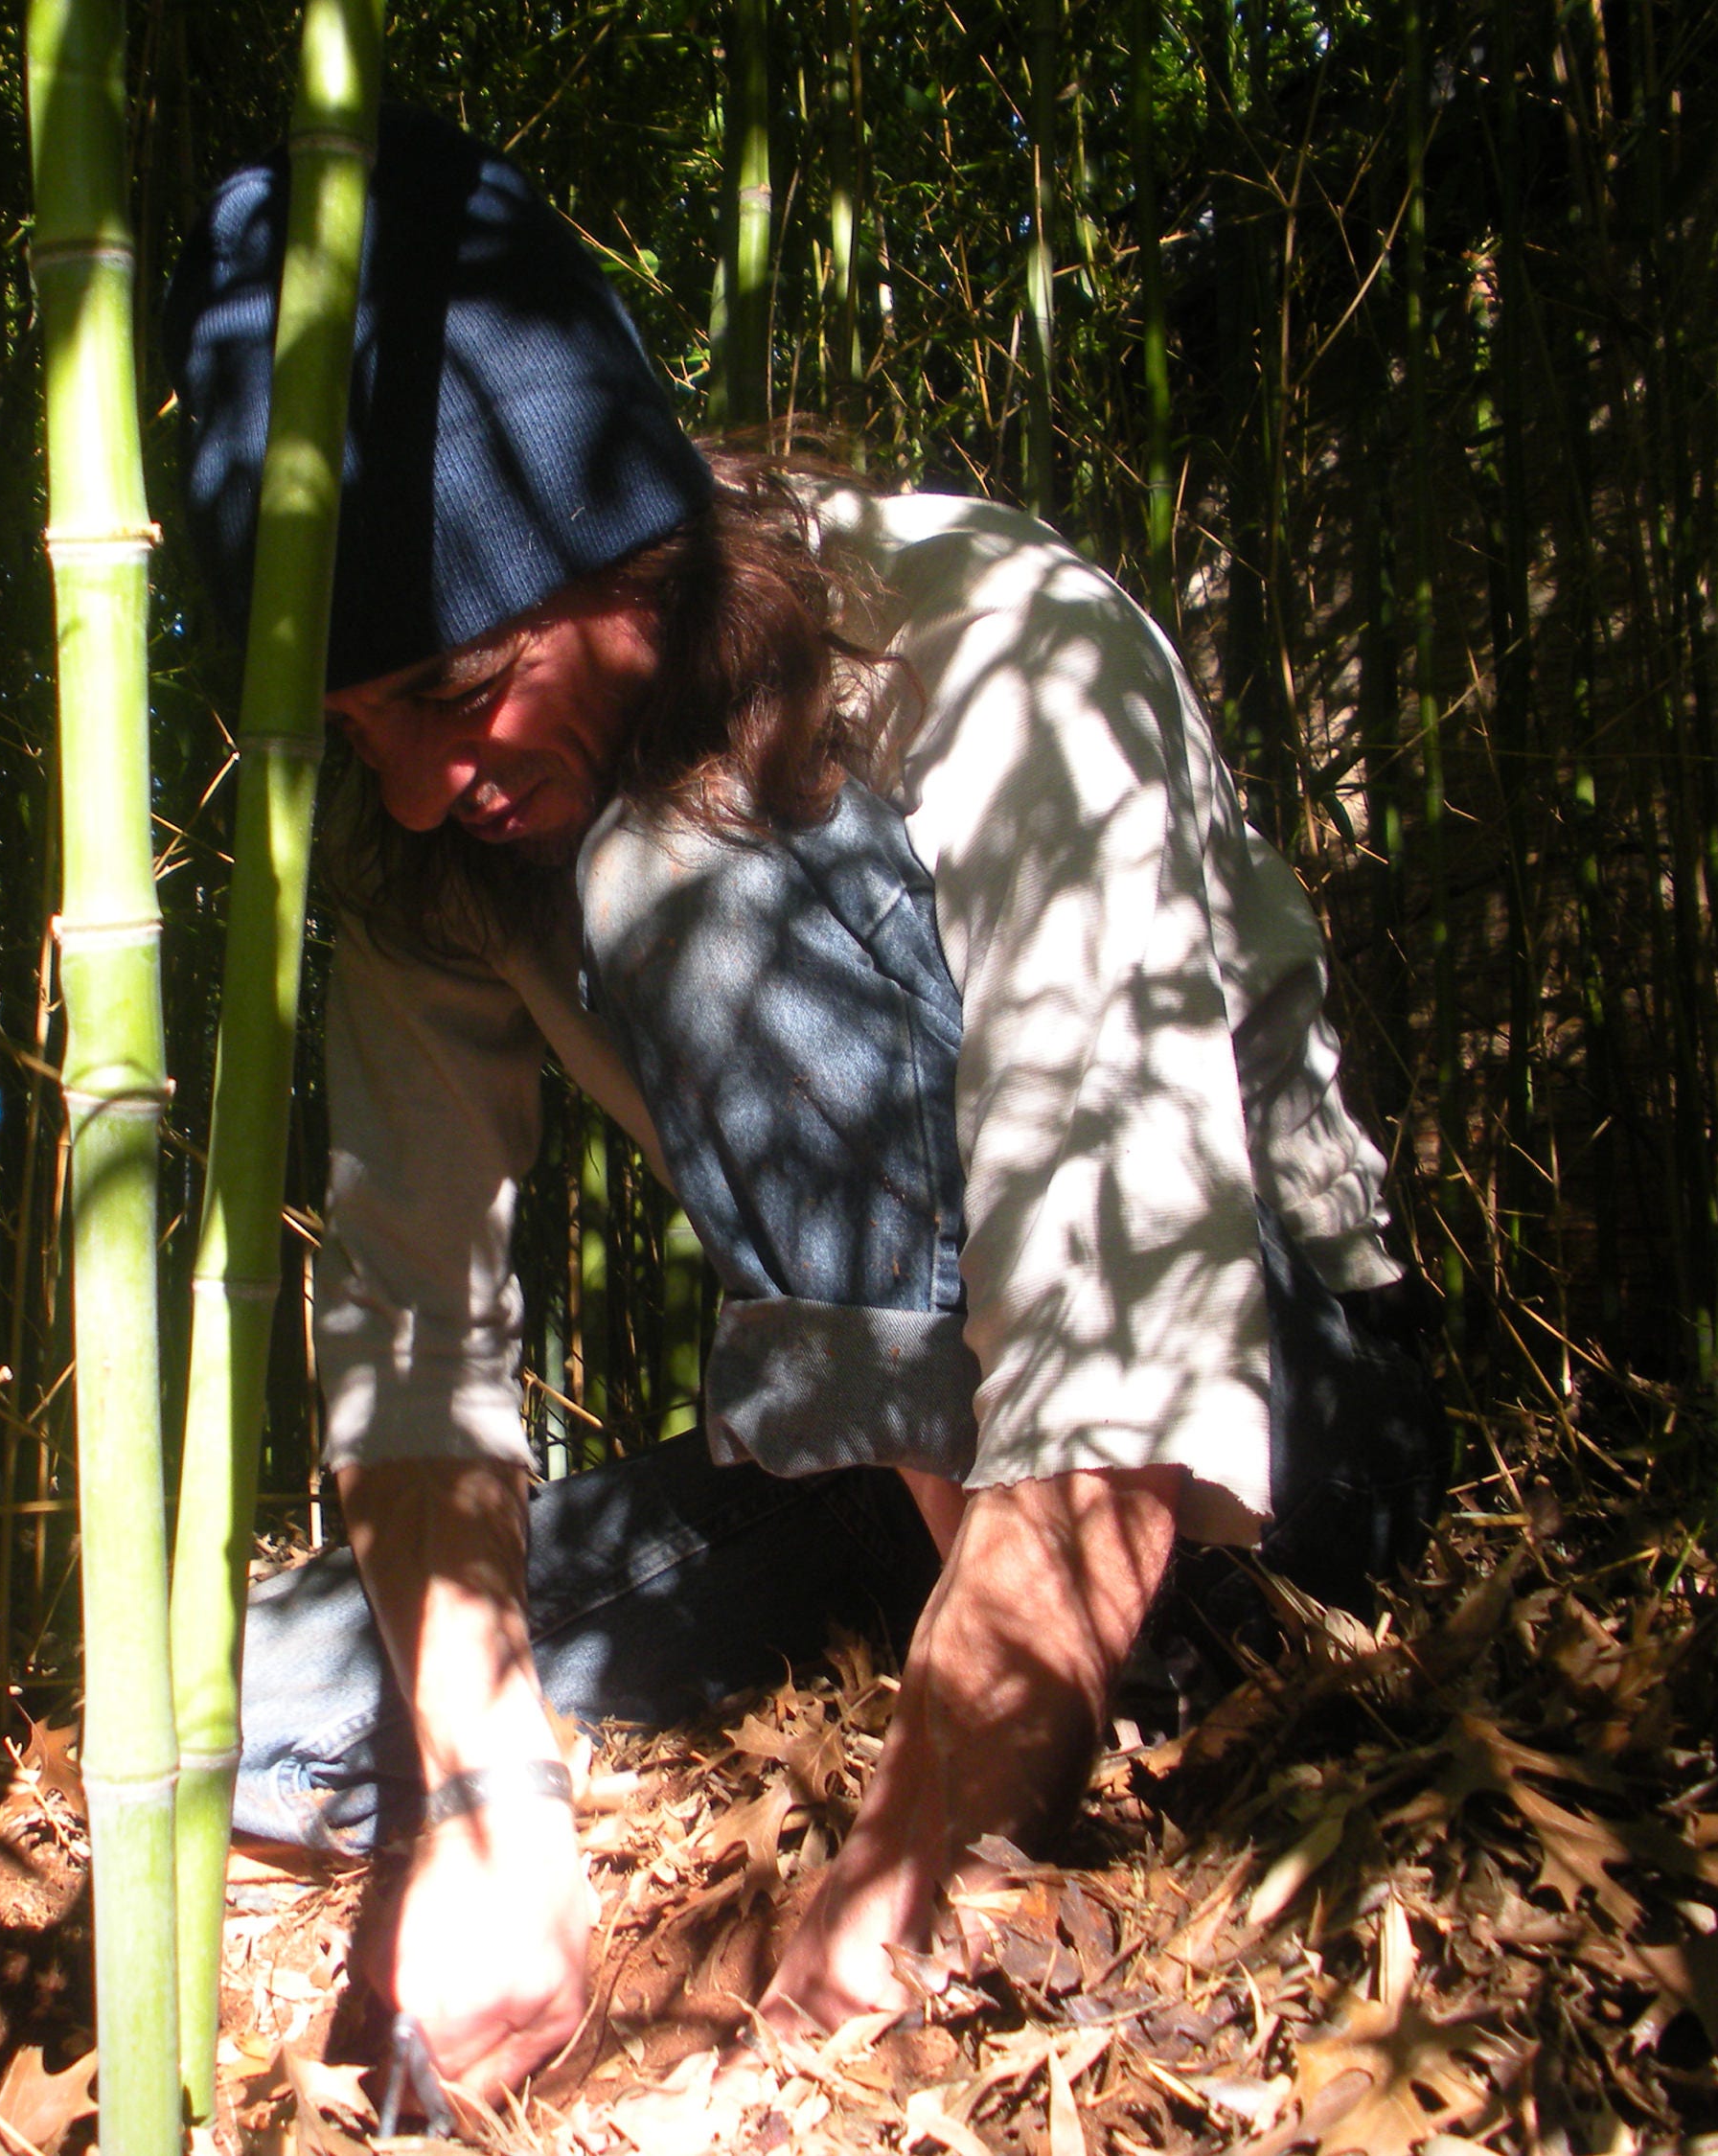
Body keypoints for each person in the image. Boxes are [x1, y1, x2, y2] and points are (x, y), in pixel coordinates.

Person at [162, 108, 1421, 2109]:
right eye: (358, 729)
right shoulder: (442, 840)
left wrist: (914, 1863)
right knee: (255, 1705)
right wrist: (489, 1807)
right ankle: (936, 1632)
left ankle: (1135, 1695)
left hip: (1253, 1418)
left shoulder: (992, 635)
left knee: (689, 876)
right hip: (894, 1470)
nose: (414, 785)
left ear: (629, 545)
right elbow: (415, 1327)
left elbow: (1129, 1321)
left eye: (457, 692)